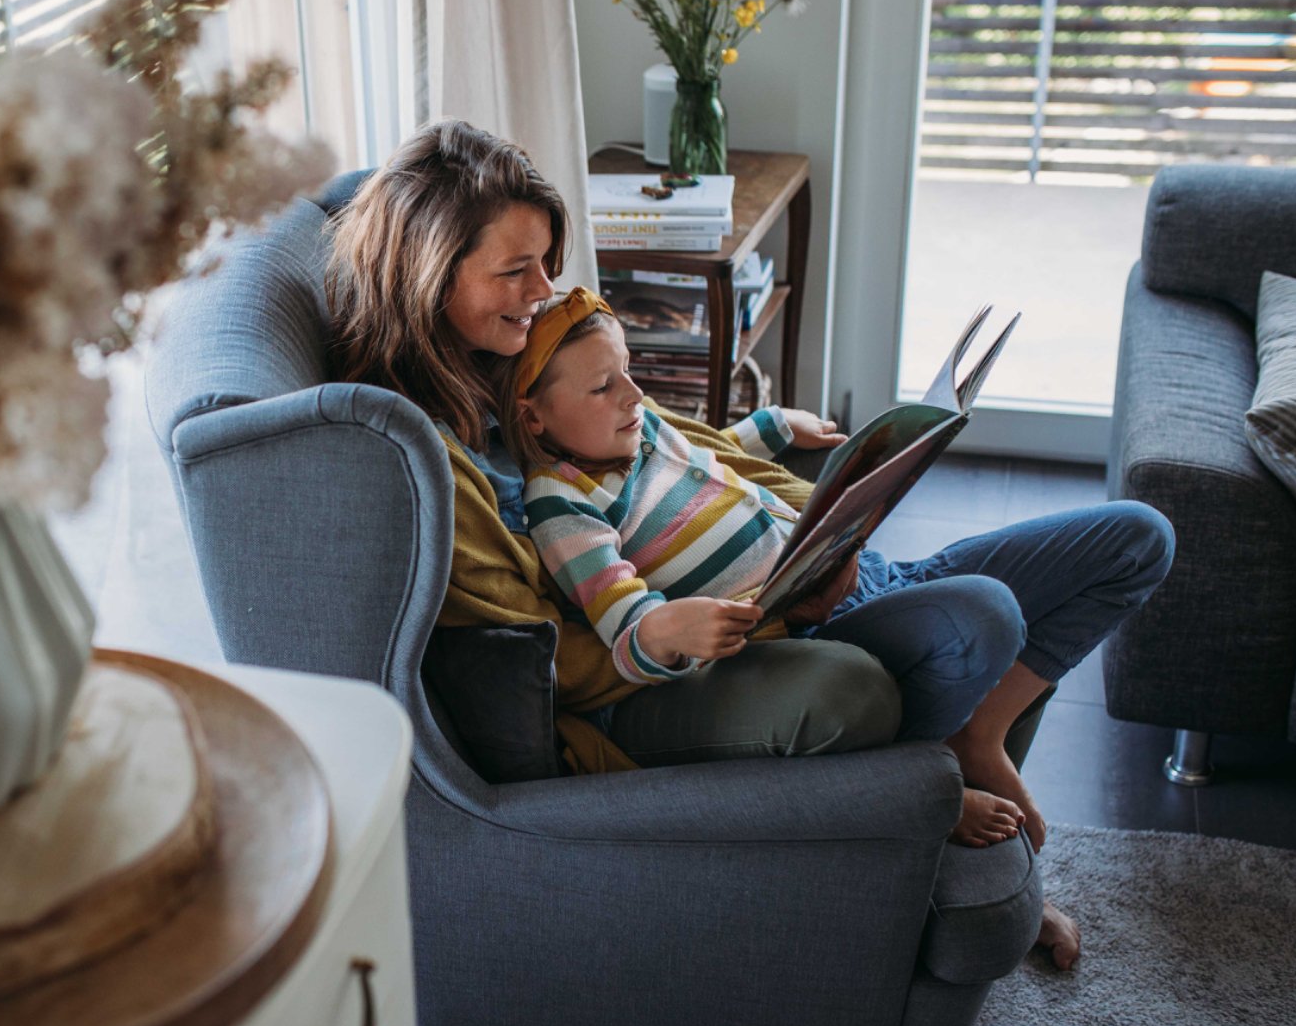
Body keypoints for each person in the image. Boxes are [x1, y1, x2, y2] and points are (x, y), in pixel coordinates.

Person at [327, 119, 1176, 970]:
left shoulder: (518, 347)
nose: (545, 288)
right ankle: (957, 817)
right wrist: (765, 612)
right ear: (431, 274)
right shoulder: (427, 449)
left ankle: (971, 744)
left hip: (830, 568)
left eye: (547, 261)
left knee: (1134, 538)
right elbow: (540, 655)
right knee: (972, 624)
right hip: (720, 644)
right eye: (516, 270)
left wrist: (829, 501)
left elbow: (688, 445)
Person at [505, 289, 1020, 848]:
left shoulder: (632, 426)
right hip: (769, 628)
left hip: (815, 569)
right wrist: (671, 629)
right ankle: (930, 789)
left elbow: (703, 458)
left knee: (1088, 554)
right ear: (533, 416)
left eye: (628, 370)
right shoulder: (561, 503)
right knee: (967, 623)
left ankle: (957, 747)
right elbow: (624, 627)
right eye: (604, 386)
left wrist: (773, 426)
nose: (635, 395)